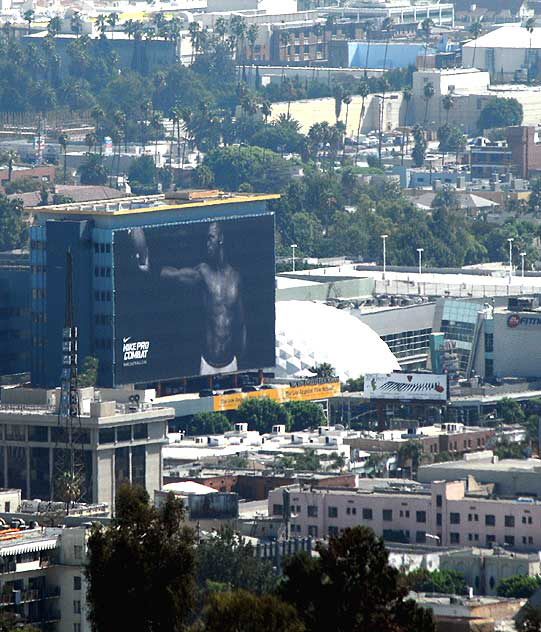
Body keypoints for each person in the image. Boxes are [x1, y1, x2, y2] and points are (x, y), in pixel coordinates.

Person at [130, 221, 246, 375]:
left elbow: (241, 322)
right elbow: (176, 274)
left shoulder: (236, 278)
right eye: (206, 239)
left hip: (231, 362)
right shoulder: (203, 272)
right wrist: (150, 267)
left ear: (221, 238)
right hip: (207, 363)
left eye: (211, 238)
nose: (207, 244)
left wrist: (242, 360)